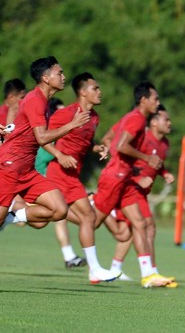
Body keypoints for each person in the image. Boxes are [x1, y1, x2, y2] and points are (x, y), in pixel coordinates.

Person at [91, 81, 173, 288]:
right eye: (155, 98)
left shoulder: (136, 120)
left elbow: (114, 141)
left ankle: (148, 274)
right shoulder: (136, 119)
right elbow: (120, 145)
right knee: (91, 222)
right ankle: (72, 207)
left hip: (125, 178)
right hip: (115, 176)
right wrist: (146, 158)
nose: (158, 102)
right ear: (143, 100)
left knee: (140, 223)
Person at [43, 72, 120, 284]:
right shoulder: (65, 114)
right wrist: (60, 154)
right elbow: (42, 138)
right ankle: (94, 270)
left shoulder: (94, 117)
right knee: (88, 217)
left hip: (72, 176)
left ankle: (16, 214)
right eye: (95, 88)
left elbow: (85, 142)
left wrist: (98, 148)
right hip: (59, 173)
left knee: (80, 219)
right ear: (82, 92)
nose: (100, 91)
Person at [0, 56, 91, 234]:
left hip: (26, 170)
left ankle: (11, 217)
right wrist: (72, 124)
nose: (64, 77)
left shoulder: (42, 101)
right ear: (46, 78)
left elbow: (23, 129)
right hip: (10, 167)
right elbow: (41, 138)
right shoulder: (35, 100)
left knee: (59, 209)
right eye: (60, 73)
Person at [106, 105, 176, 284]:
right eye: (166, 119)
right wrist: (137, 178)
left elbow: (155, 163)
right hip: (131, 188)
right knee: (148, 226)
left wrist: (164, 173)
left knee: (127, 231)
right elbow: (128, 161)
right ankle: (151, 272)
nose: (170, 123)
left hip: (141, 192)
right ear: (153, 122)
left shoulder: (164, 143)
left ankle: (116, 268)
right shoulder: (143, 138)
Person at [34, 97, 87, 269]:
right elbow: (47, 158)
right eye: (61, 112)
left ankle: (69, 255)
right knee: (54, 217)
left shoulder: (58, 136)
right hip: (37, 181)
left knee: (53, 218)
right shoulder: (48, 138)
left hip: (47, 180)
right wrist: (62, 154)